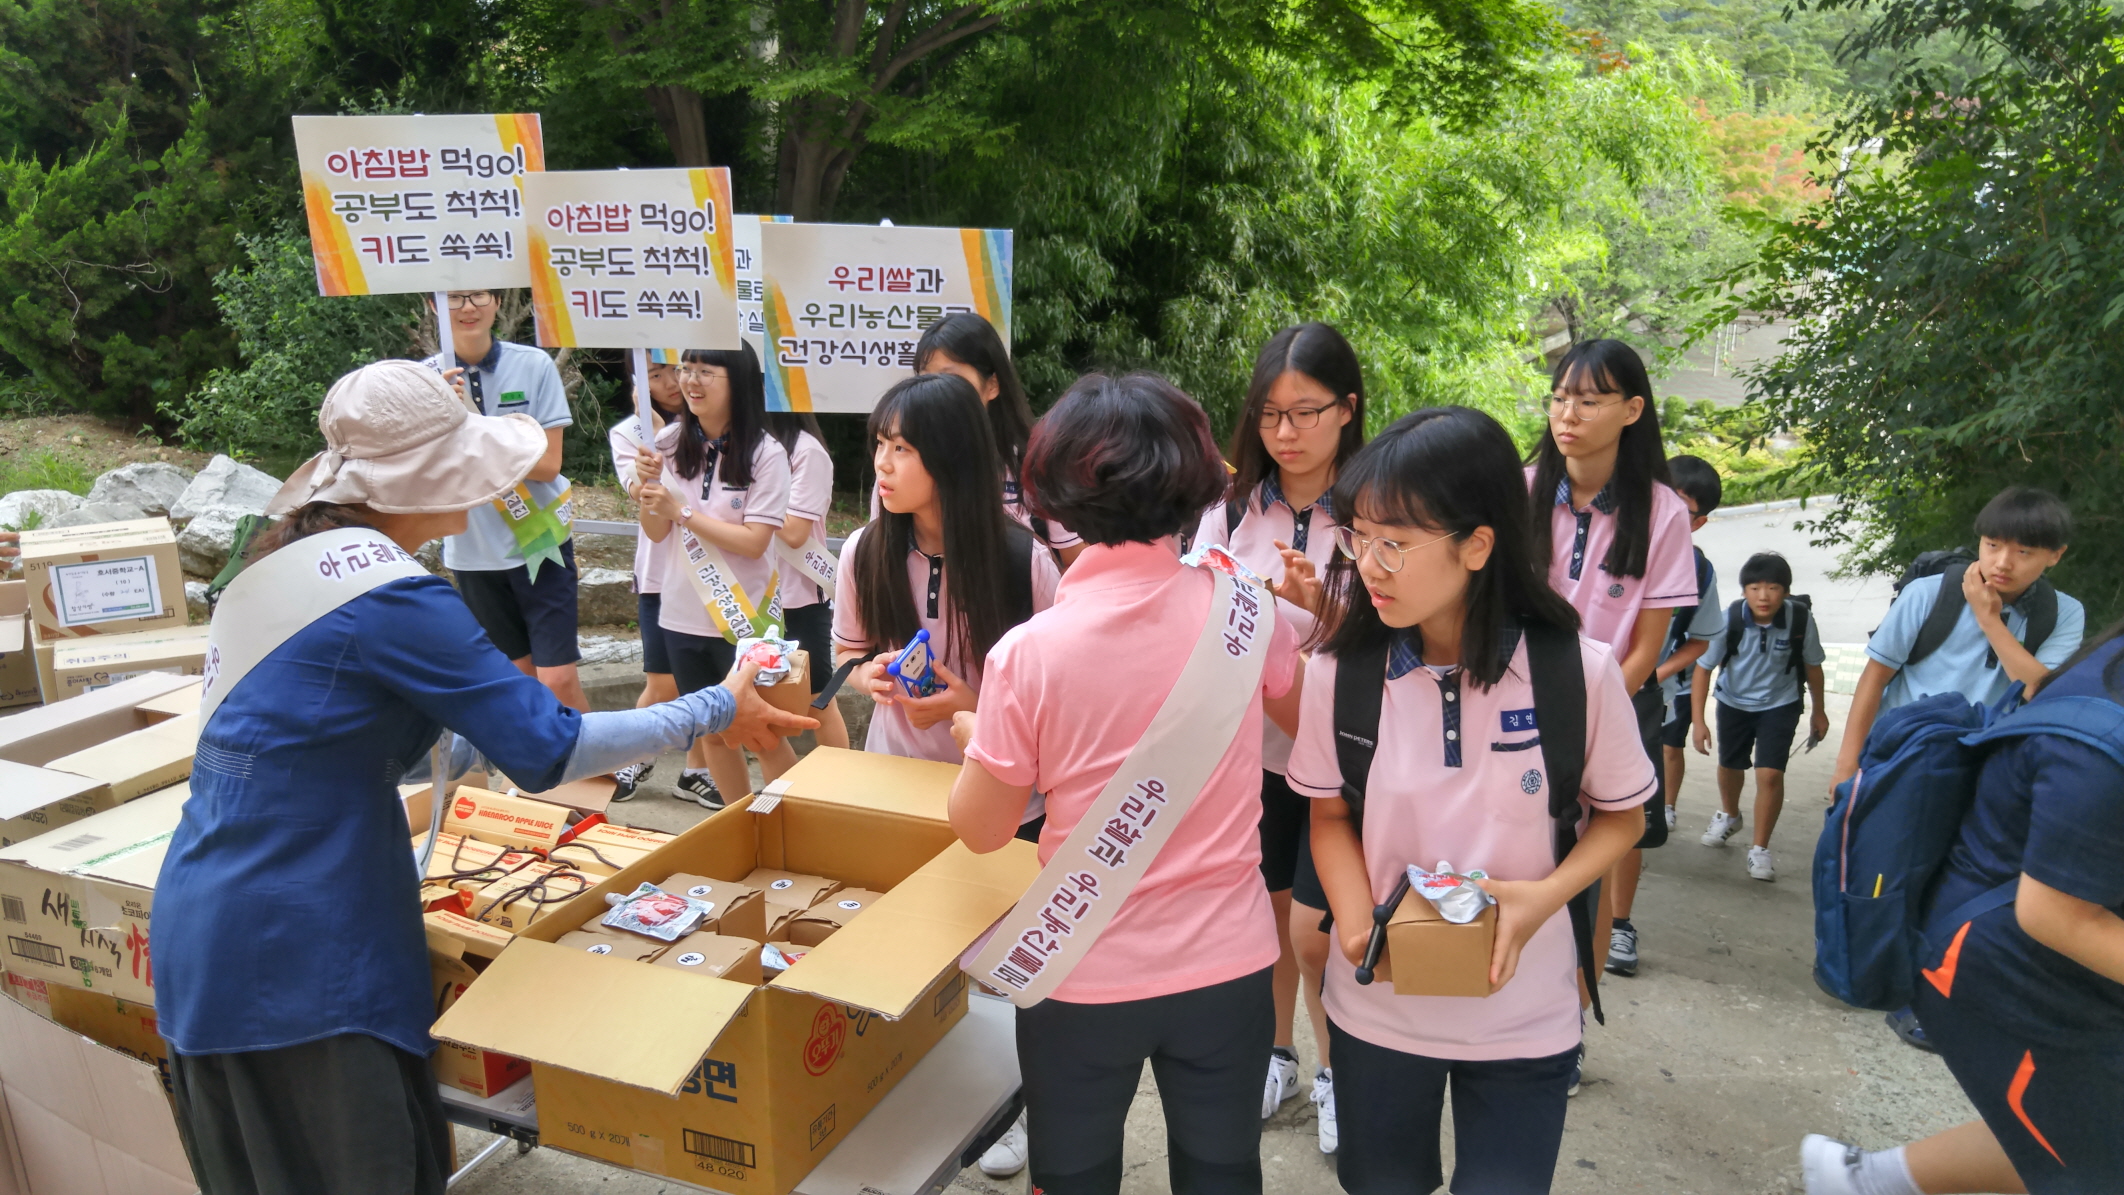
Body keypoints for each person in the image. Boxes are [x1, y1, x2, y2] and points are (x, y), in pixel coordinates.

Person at [152, 361, 814, 1195]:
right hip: (303, 960)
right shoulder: (390, 595)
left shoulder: (278, 564)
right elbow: (550, 747)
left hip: (208, 930)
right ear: (424, 479)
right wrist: (715, 705)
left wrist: (481, 739)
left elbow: (345, 739)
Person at [948, 371, 1305, 1195]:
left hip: (1081, 970)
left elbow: (982, 828)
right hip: (1228, 963)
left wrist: (975, 740)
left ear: (1056, 496)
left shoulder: (1029, 653)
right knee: (1223, 1175)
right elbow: (1306, 727)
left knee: (1073, 1176)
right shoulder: (1248, 614)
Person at [1290, 406, 1653, 1195]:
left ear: (1478, 544)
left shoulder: (1575, 672)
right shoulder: (1340, 674)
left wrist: (1541, 899)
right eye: (1357, 536)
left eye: (1394, 542)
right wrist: (1353, 922)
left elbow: (1624, 816)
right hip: (1380, 1010)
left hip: (1524, 1015)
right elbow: (1330, 816)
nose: (1368, 564)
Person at [1801, 619, 2124, 1195]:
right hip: (2006, 966)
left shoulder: (2085, 648)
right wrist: (1845, 761)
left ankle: (1866, 1180)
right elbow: (2055, 915)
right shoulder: (2100, 740)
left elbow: (2034, 681)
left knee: (2072, 1122)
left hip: (2066, 963)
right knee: (2089, 1137)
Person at [1188, 322, 1361, 1149]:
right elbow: (1192, 605)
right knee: (1269, 914)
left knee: (1317, 931)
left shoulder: (1376, 509)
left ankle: (1338, 1071)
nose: (1285, 432)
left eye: (1305, 412)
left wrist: (1316, 603)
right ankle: (1276, 1053)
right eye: (1269, 414)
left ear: (1347, 409)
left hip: (1345, 755)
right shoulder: (1229, 507)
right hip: (1250, 753)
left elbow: (1396, 644)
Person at [1832, 486, 2084, 1050]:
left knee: (1956, 880)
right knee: (1892, 873)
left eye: (2023, 551)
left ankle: (1923, 994)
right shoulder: (1928, 595)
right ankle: (1877, 975)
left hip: (1991, 767)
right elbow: (1874, 677)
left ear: (2055, 556)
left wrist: (1991, 621)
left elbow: (2041, 692)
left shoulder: (2064, 614)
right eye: (1992, 544)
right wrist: (1848, 765)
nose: (2002, 562)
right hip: (1905, 761)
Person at [1527, 340, 1695, 1034]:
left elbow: (1647, 649)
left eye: (1589, 400)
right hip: (1513, 709)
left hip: (1613, 711)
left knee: (1587, 881)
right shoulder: (1520, 488)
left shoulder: (1663, 512)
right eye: (1560, 397)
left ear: (1631, 410)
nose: (1568, 414)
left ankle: (1569, 1025)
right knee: (1518, 862)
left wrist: (1582, 720)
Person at [835, 372, 1060, 768]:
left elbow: (1060, 692)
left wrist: (974, 706)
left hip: (995, 779)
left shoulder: (1025, 561)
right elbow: (847, 651)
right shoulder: (864, 550)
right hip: (891, 770)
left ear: (952, 458)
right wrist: (867, 675)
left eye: (901, 448)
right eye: (880, 444)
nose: (882, 463)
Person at [636, 343, 798, 808]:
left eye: (706, 371)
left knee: (763, 732)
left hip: (745, 620)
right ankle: (738, 822)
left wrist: (682, 512)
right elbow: (656, 531)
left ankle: (795, 823)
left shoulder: (766, 453)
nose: (690, 381)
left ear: (738, 382)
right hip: (681, 617)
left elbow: (754, 541)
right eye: (686, 369)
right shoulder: (668, 443)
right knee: (711, 732)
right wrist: (648, 488)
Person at [423, 288, 588, 712]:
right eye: (454, 297)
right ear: (433, 305)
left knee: (558, 681)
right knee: (518, 682)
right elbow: (424, 473)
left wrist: (473, 428)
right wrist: (439, 415)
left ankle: (596, 755)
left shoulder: (533, 365)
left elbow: (548, 464)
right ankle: (546, 759)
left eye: (478, 295)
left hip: (540, 542)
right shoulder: (422, 380)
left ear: (497, 301)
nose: (468, 307)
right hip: (472, 551)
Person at [1610, 453, 1722, 976]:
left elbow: (1701, 638)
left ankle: (1618, 924)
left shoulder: (1698, 569)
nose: (1669, 514)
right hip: (1573, 686)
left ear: (1699, 523)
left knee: (1625, 814)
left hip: (1639, 698)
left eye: (1685, 511)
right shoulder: (1604, 535)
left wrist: (1652, 674)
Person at [903, 311, 1086, 566]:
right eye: (925, 378)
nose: (937, 391)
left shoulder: (1038, 464)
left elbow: (1076, 565)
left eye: (950, 378)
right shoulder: (901, 460)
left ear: (992, 385)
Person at [1688, 551, 1828, 882]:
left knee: (1770, 774)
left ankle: (1760, 849)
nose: (1763, 596)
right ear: (1744, 591)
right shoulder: (1729, 619)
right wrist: (1698, 721)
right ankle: (1730, 815)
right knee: (1730, 765)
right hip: (1733, 702)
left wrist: (1819, 711)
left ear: (1786, 591)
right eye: (1754, 588)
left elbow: (1813, 666)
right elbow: (1703, 669)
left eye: (1773, 588)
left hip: (1780, 703)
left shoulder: (1800, 619)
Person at [608, 349, 698, 800]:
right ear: (636, 385)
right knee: (662, 682)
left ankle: (697, 771)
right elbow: (641, 493)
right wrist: (659, 437)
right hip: (662, 574)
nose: (669, 383)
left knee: (705, 684)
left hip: (716, 573)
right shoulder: (630, 433)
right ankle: (630, 759)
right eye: (654, 375)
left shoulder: (714, 428)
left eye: (673, 371)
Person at [766, 408, 851, 750]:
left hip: (798, 597)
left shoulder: (807, 452)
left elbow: (794, 533)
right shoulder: (740, 447)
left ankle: (839, 780)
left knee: (819, 701)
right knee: (759, 703)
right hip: (752, 599)